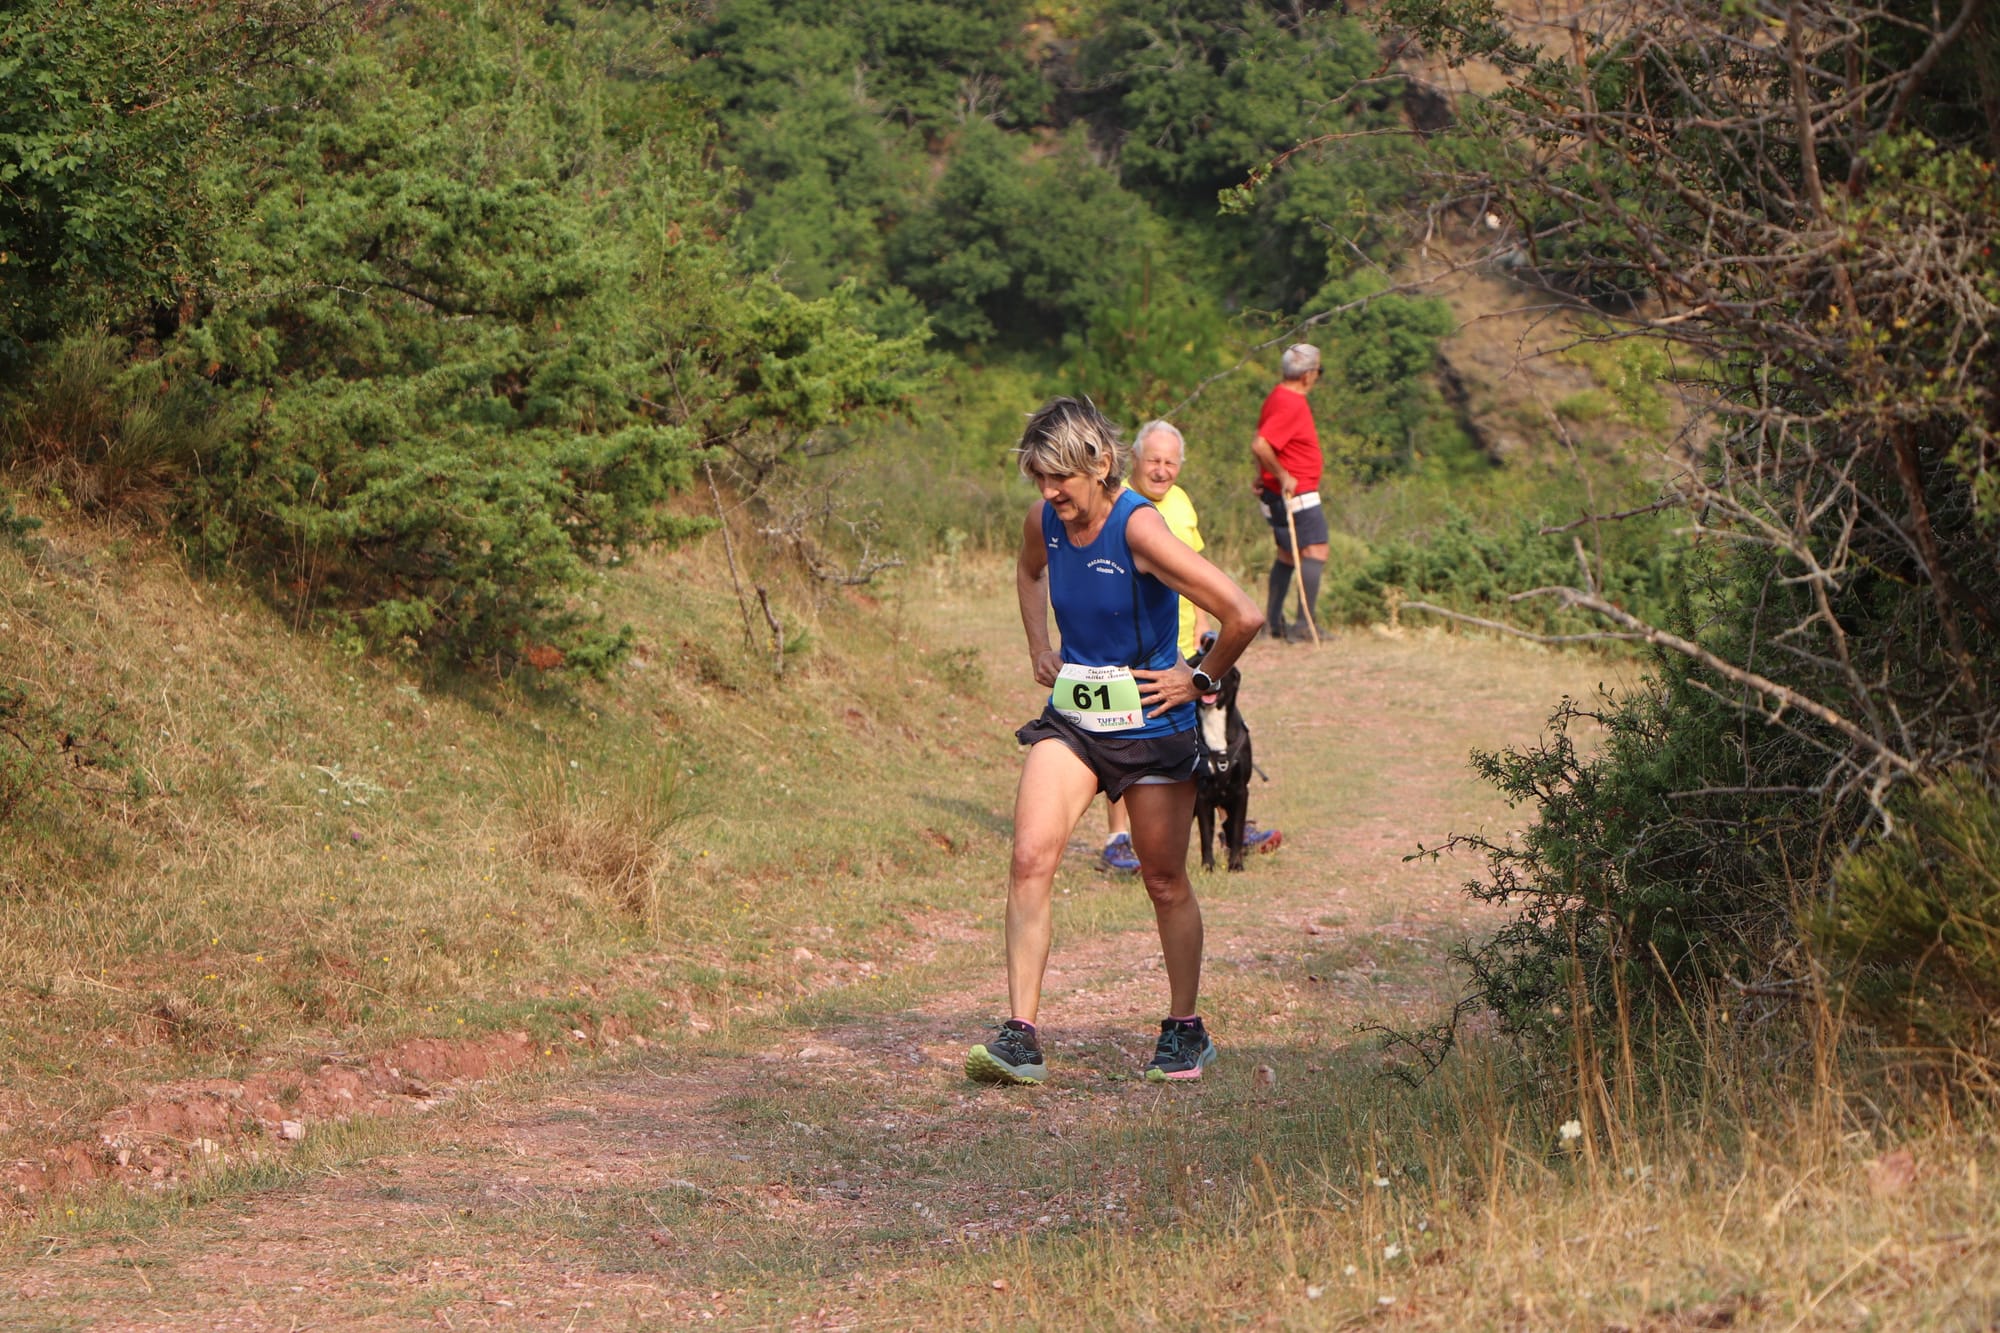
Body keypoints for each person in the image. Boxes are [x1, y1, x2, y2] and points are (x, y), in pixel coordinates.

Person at [966, 397, 1264, 1087]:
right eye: (1038, 477)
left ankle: (1185, 1029)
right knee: (1029, 855)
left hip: (1152, 726)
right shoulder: (1044, 517)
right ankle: (1021, 1036)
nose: (1048, 493)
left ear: (1099, 465)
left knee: (1163, 879)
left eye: (1059, 478)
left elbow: (1242, 614)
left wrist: (1197, 678)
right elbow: (1029, 569)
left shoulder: (1141, 529)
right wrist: (1039, 644)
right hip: (1074, 718)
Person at [1099, 421, 1276, 871]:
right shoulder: (1114, 504)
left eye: (1170, 463)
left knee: (1203, 730)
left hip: (1181, 642)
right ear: (1134, 460)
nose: (1161, 471)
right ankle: (1119, 838)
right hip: (1133, 646)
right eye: (1153, 461)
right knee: (1123, 735)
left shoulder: (1180, 504)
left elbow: (1194, 569)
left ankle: (1228, 818)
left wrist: (1201, 625)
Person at [1250, 344, 1328, 642]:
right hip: (1296, 492)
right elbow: (1261, 444)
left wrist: (1262, 475)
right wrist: (1282, 475)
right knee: (1316, 550)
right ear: (1308, 375)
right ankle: (1304, 624)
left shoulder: (1278, 396)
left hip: (1278, 490)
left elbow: (1266, 441)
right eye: (1318, 371)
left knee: (1287, 555)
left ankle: (1273, 623)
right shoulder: (1291, 403)